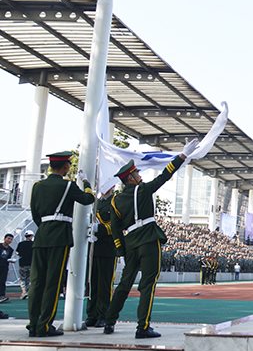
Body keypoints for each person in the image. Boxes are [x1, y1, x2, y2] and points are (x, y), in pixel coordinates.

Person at [104, 139, 196, 338]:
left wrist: (121, 251)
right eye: (137, 174)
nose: (140, 176)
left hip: (130, 244)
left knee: (124, 284)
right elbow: (165, 176)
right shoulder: (143, 190)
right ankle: (142, 327)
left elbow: (116, 230)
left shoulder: (116, 201)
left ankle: (109, 322)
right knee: (147, 284)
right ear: (130, 178)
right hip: (148, 239)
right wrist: (182, 156)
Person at [28, 151, 95, 337]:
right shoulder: (68, 185)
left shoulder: (37, 186)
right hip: (59, 236)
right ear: (65, 166)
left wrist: (46, 227)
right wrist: (87, 183)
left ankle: (33, 324)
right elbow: (88, 199)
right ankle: (44, 325)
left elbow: (35, 214)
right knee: (53, 282)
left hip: (42, 235)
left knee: (36, 282)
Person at [85, 187, 117, 328]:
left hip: (108, 247)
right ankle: (92, 314)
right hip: (93, 247)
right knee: (92, 282)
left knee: (105, 284)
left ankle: (104, 315)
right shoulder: (95, 203)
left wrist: (100, 229)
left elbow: (117, 224)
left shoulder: (115, 201)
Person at [15, 230, 34, 300]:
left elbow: (17, 253)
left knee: (22, 278)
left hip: (22, 264)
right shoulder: (34, 244)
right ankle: (29, 293)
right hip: (31, 264)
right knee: (30, 278)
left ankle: (24, 292)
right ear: (31, 236)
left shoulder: (20, 244)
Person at [0, 233, 14, 302]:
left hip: (4, 267)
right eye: (8, 238)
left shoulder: (11, 249)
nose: (9, 240)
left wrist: (11, 260)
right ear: (4, 238)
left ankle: (2, 296)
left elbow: (8, 258)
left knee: (2, 281)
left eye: (11, 239)